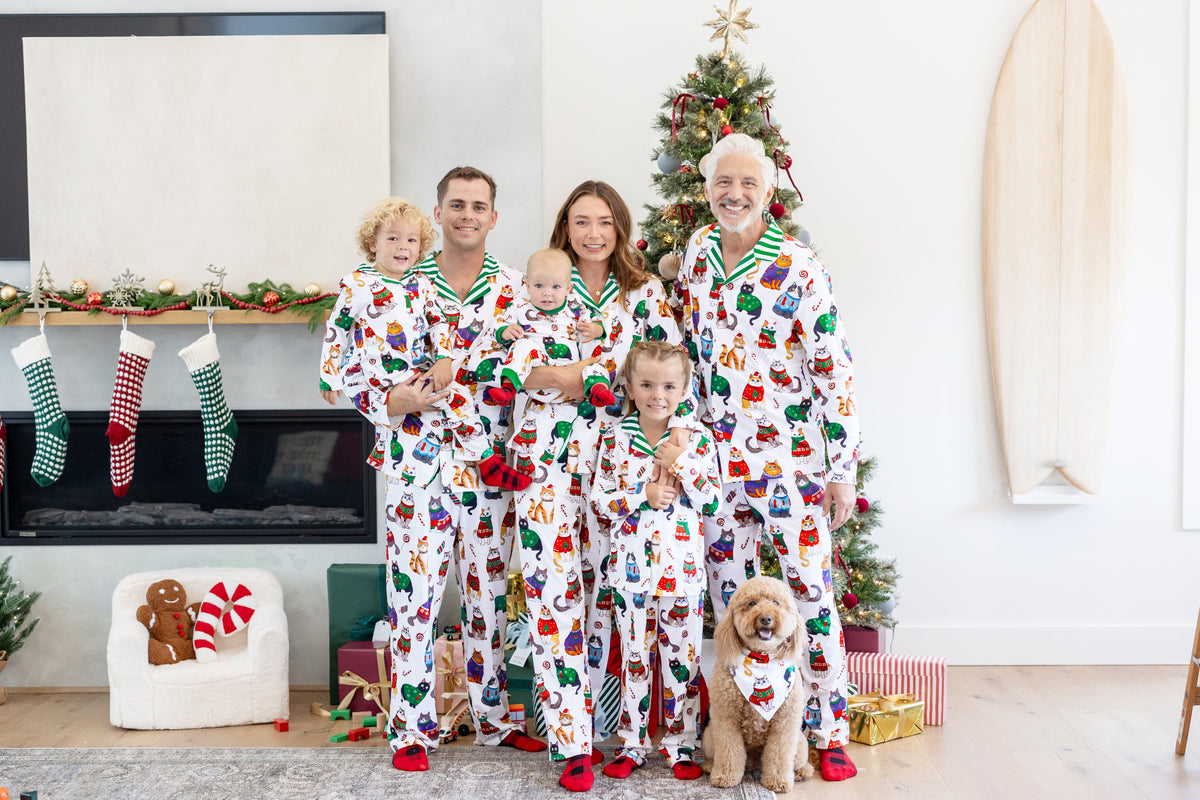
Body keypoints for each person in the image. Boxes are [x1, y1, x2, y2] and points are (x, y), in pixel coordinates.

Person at [341, 175, 546, 772]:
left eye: (478, 206)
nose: (467, 215)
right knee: (415, 599)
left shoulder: (515, 287)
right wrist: (388, 403)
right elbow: (349, 371)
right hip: (416, 468)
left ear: (494, 216)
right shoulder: (399, 276)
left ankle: (496, 722)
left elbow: (534, 362)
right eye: (456, 204)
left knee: (488, 599)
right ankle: (411, 730)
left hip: (490, 469)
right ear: (438, 212)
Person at [672, 133, 861, 782]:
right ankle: (746, 734)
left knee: (809, 597)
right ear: (707, 191)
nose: (735, 194)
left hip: (794, 467)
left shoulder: (801, 267)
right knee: (734, 607)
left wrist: (842, 470)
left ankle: (829, 730)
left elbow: (835, 372)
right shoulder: (696, 254)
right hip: (719, 470)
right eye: (724, 183)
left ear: (769, 192)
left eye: (749, 183)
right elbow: (686, 355)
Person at [516, 180, 695, 792]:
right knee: (552, 596)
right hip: (544, 462)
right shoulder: (536, 286)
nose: (593, 233)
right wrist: (575, 377)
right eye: (580, 221)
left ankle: (609, 730)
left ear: (620, 229)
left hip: (621, 466)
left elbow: (669, 375)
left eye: (605, 222)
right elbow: (501, 368)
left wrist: (676, 446)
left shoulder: (645, 294)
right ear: (564, 227)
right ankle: (570, 742)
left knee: (608, 600)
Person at [320, 197, 530, 492]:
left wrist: (444, 358)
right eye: (393, 238)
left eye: (411, 240)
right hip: (377, 375)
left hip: (415, 372)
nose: (402, 246)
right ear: (372, 243)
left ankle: (487, 463)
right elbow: (337, 328)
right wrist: (329, 376)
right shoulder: (356, 284)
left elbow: (438, 321)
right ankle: (486, 463)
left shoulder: (421, 284)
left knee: (455, 397)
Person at [589, 341, 719, 781]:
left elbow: (714, 500)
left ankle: (680, 745)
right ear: (629, 386)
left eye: (667, 386)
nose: (656, 395)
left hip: (682, 576)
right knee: (634, 660)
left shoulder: (696, 440)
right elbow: (599, 502)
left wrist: (681, 464)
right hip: (629, 576)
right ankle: (632, 743)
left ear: (683, 389)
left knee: (682, 660)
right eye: (646, 384)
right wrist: (640, 496)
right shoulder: (614, 438)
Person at [484, 247, 614, 410]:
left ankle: (598, 391)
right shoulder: (520, 306)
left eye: (556, 287)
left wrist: (597, 330)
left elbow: (594, 321)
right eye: (539, 285)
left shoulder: (575, 306)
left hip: (574, 377)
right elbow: (498, 324)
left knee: (596, 365)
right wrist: (504, 331)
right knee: (522, 346)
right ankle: (508, 389)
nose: (547, 293)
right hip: (537, 373)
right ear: (528, 285)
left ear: (569, 288)